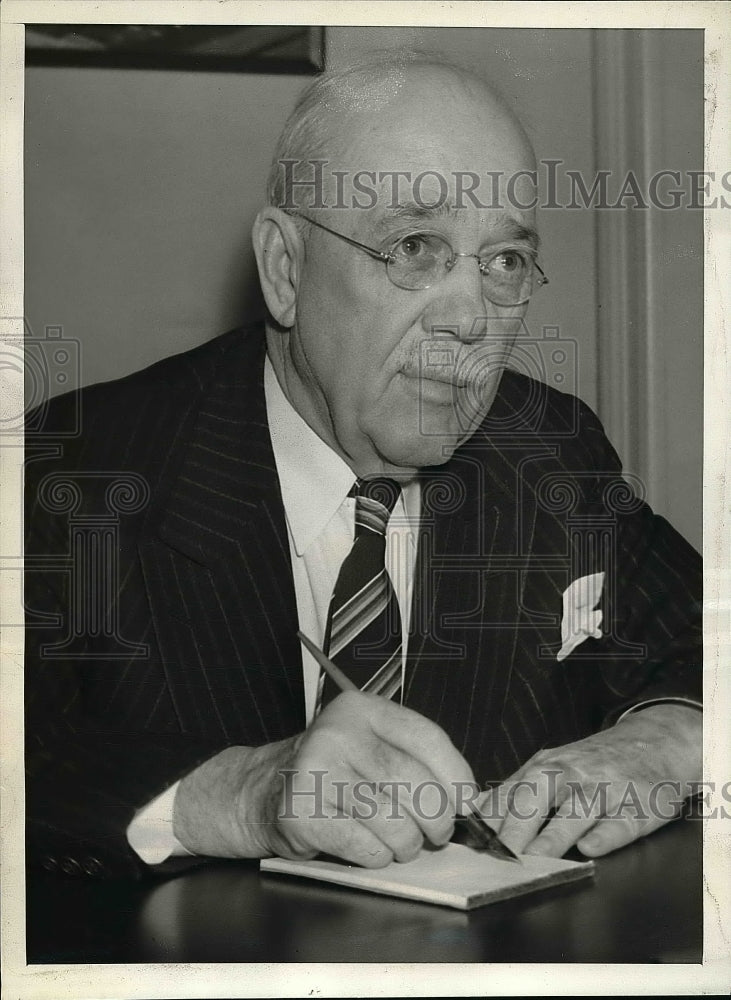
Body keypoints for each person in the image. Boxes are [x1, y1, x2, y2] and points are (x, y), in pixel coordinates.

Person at [25, 52, 701, 881]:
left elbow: (702, 638)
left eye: (503, 263)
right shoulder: (76, 471)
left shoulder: (548, 450)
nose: (468, 320)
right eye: (414, 245)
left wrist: (663, 744)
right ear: (285, 268)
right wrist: (237, 794)